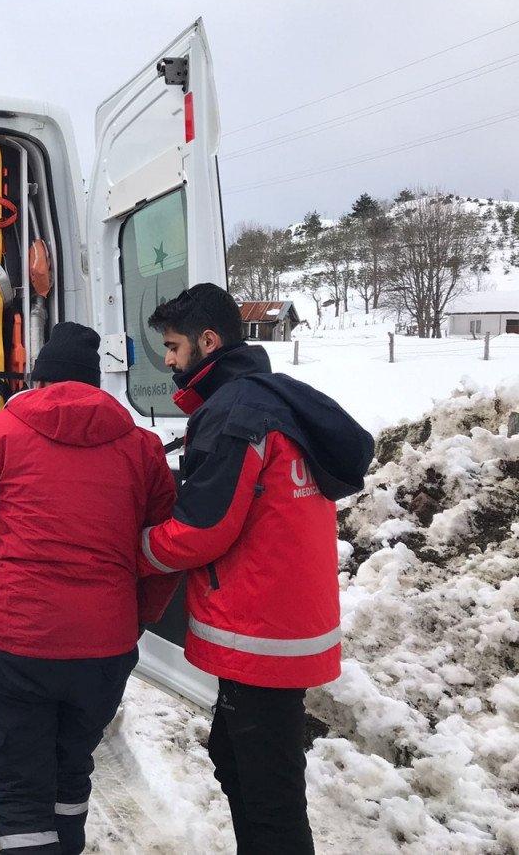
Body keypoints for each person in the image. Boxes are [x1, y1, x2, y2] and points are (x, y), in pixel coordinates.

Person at [139, 284, 374, 854]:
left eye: (172, 346)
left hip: (258, 630)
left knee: (271, 804)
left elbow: (201, 530)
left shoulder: (236, 413)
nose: (167, 361)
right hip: (282, 624)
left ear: (209, 341)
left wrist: (133, 551)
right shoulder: (271, 398)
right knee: (235, 761)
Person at [0, 322, 181, 855]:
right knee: (72, 773)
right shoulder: (142, 448)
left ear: (38, 379)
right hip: (105, 645)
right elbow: (163, 552)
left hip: (19, 641)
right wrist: (134, 616)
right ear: (94, 385)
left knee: (23, 792)